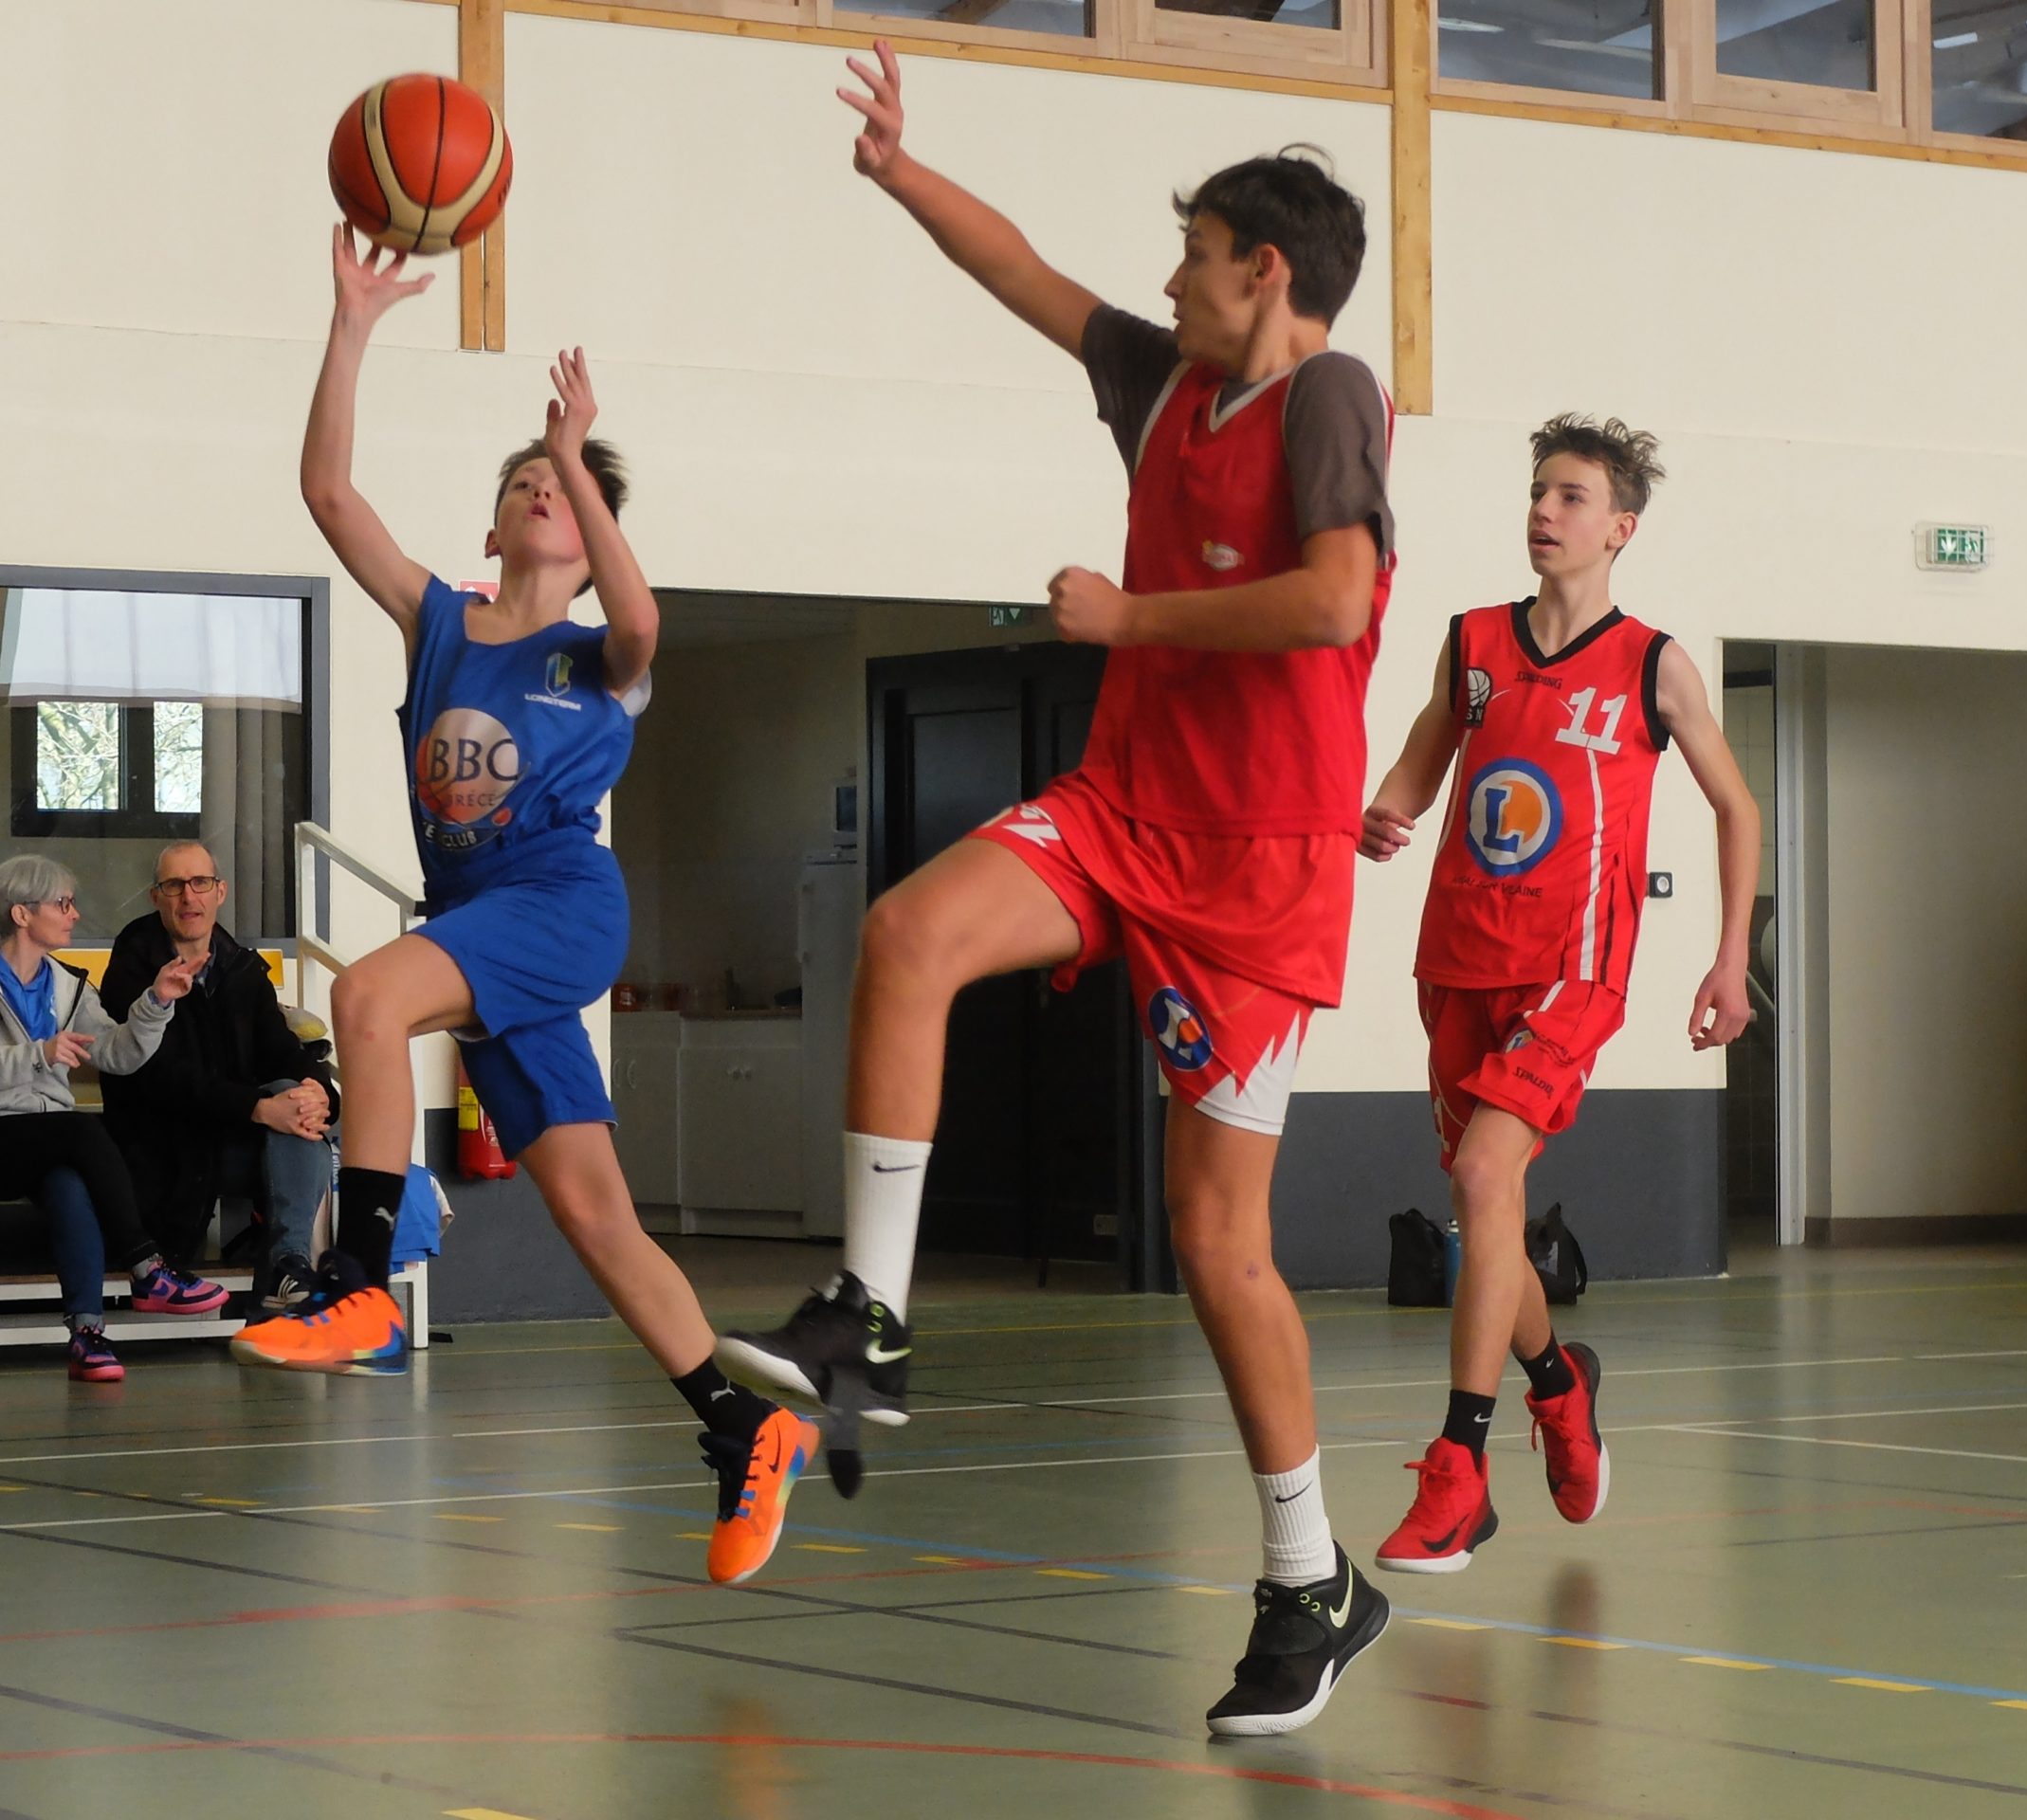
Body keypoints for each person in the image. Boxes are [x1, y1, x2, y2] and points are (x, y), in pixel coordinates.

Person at [718, 44, 1395, 1737]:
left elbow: (1334, 601)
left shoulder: (1329, 394)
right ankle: (871, 1319)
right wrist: (898, 171)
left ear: (1268, 272)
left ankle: (1309, 1576)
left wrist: (1132, 619)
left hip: (1259, 865)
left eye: (1195, 254)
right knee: (908, 932)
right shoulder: (1164, 383)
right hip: (1120, 810)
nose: (1168, 279)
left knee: (1219, 1243)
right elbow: (1023, 272)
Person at [226, 226, 812, 1590]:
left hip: (556, 904)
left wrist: (579, 455)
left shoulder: (600, 656)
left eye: (564, 486)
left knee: (366, 995)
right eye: (525, 483)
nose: (543, 489)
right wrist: (352, 323)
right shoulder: (440, 620)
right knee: (597, 1217)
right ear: (492, 529)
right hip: (478, 920)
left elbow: (646, 620)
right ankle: (744, 1426)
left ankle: (360, 1286)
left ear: (589, 535)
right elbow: (327, 491)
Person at [1358, 414, 1758, 1574]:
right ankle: (1557, 1379)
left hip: (1571, 971)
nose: (1545, 510)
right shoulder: (1473, 641)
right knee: (1486, 1215)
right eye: (1539, 491)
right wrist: (1383, 811)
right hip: (1455, 962)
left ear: (1620, 528)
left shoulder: (1651, 665)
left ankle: (1458, 1468)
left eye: (1571, 496)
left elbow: (1736, 807)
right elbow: (1419, 764)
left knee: (1486, 1181)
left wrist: (1728, 956)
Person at [0, 854, 217, 1378]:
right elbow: (42, 1059)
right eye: (63, 903)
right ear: (22, 914)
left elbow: (117, 1054)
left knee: (69, 1182)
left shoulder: (69, 985)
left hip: (43, 1139)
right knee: (80, 1129)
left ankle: (88, 1334)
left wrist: (156, 1003)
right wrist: (38, 1054)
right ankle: (146, 1266)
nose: (75, 914)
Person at [100, 842, 338, 1309]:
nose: (189, 897)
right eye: (174, 885)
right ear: (156, 897)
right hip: (160, 1146)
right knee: (289, 1115)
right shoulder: (133, 968)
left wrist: (321, 1094)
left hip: (229, 1135)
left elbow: (281, 1049)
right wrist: (258, 1108)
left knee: (299, 1104)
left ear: (220, 892)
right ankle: (287, 1272)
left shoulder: (240, 967)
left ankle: (288, 1265)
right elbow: (159, 1077)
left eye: (200, 883)